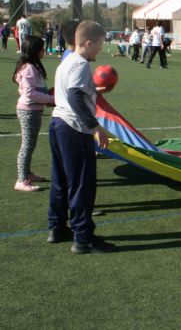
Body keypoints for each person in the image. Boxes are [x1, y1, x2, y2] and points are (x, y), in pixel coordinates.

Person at [47, 20, 115, 253]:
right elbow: (75, 96)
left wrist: (94, 91)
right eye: (99, 44)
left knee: (61, 180)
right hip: (74, 128)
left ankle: (57, 228)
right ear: (88, 43)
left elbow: (70, 91)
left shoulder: (66, 62)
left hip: (57, 123)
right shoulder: (81, 65)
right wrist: (95, 126)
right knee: (82, 184)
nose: (100, 49)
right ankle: (83, 238)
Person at [13, 36, 56, 192]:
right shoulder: (29, 68)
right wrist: (51, 98)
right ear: (36, 51)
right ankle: (21, 180)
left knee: (30, 145)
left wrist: (48, 98)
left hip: (34, 111)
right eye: (42, 48)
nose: (44, 51)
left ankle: (27, 173)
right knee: (27, 146)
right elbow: (30, 93)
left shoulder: (33, 66)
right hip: (28, 112)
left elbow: (32, 90)